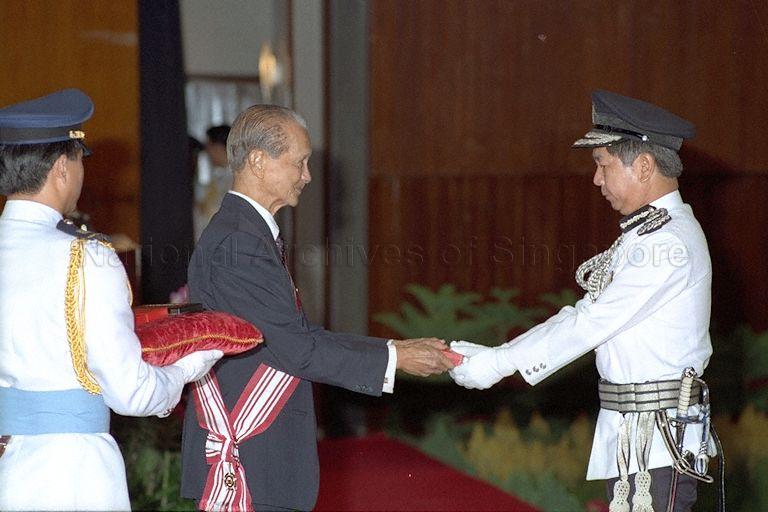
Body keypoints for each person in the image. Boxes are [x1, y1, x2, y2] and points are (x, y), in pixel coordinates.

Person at [181, 105, 455, 511]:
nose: (307, 176)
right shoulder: (239, 241)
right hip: (253, 455)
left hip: (262, 454)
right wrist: (396, 358)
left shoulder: (249, 233)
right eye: (300, 162)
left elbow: (296, 337)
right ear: (258, 161)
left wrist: (393, 348)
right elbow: (297, 349)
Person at [450, 90, 714, 512]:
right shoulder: (648, 233)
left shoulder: (668, 242)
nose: (596, 179)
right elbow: (583, 314)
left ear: (644, 166)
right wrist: (497, 356)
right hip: (639, 440)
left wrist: (498, 363)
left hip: (656, 446)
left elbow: (591, 322)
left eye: (602, 165)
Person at [0, 89, 223, 511]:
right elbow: (132, 393)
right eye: (80, 159)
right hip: (72, 474)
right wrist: (192, 364)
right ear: (62, 168)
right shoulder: (87, 258)